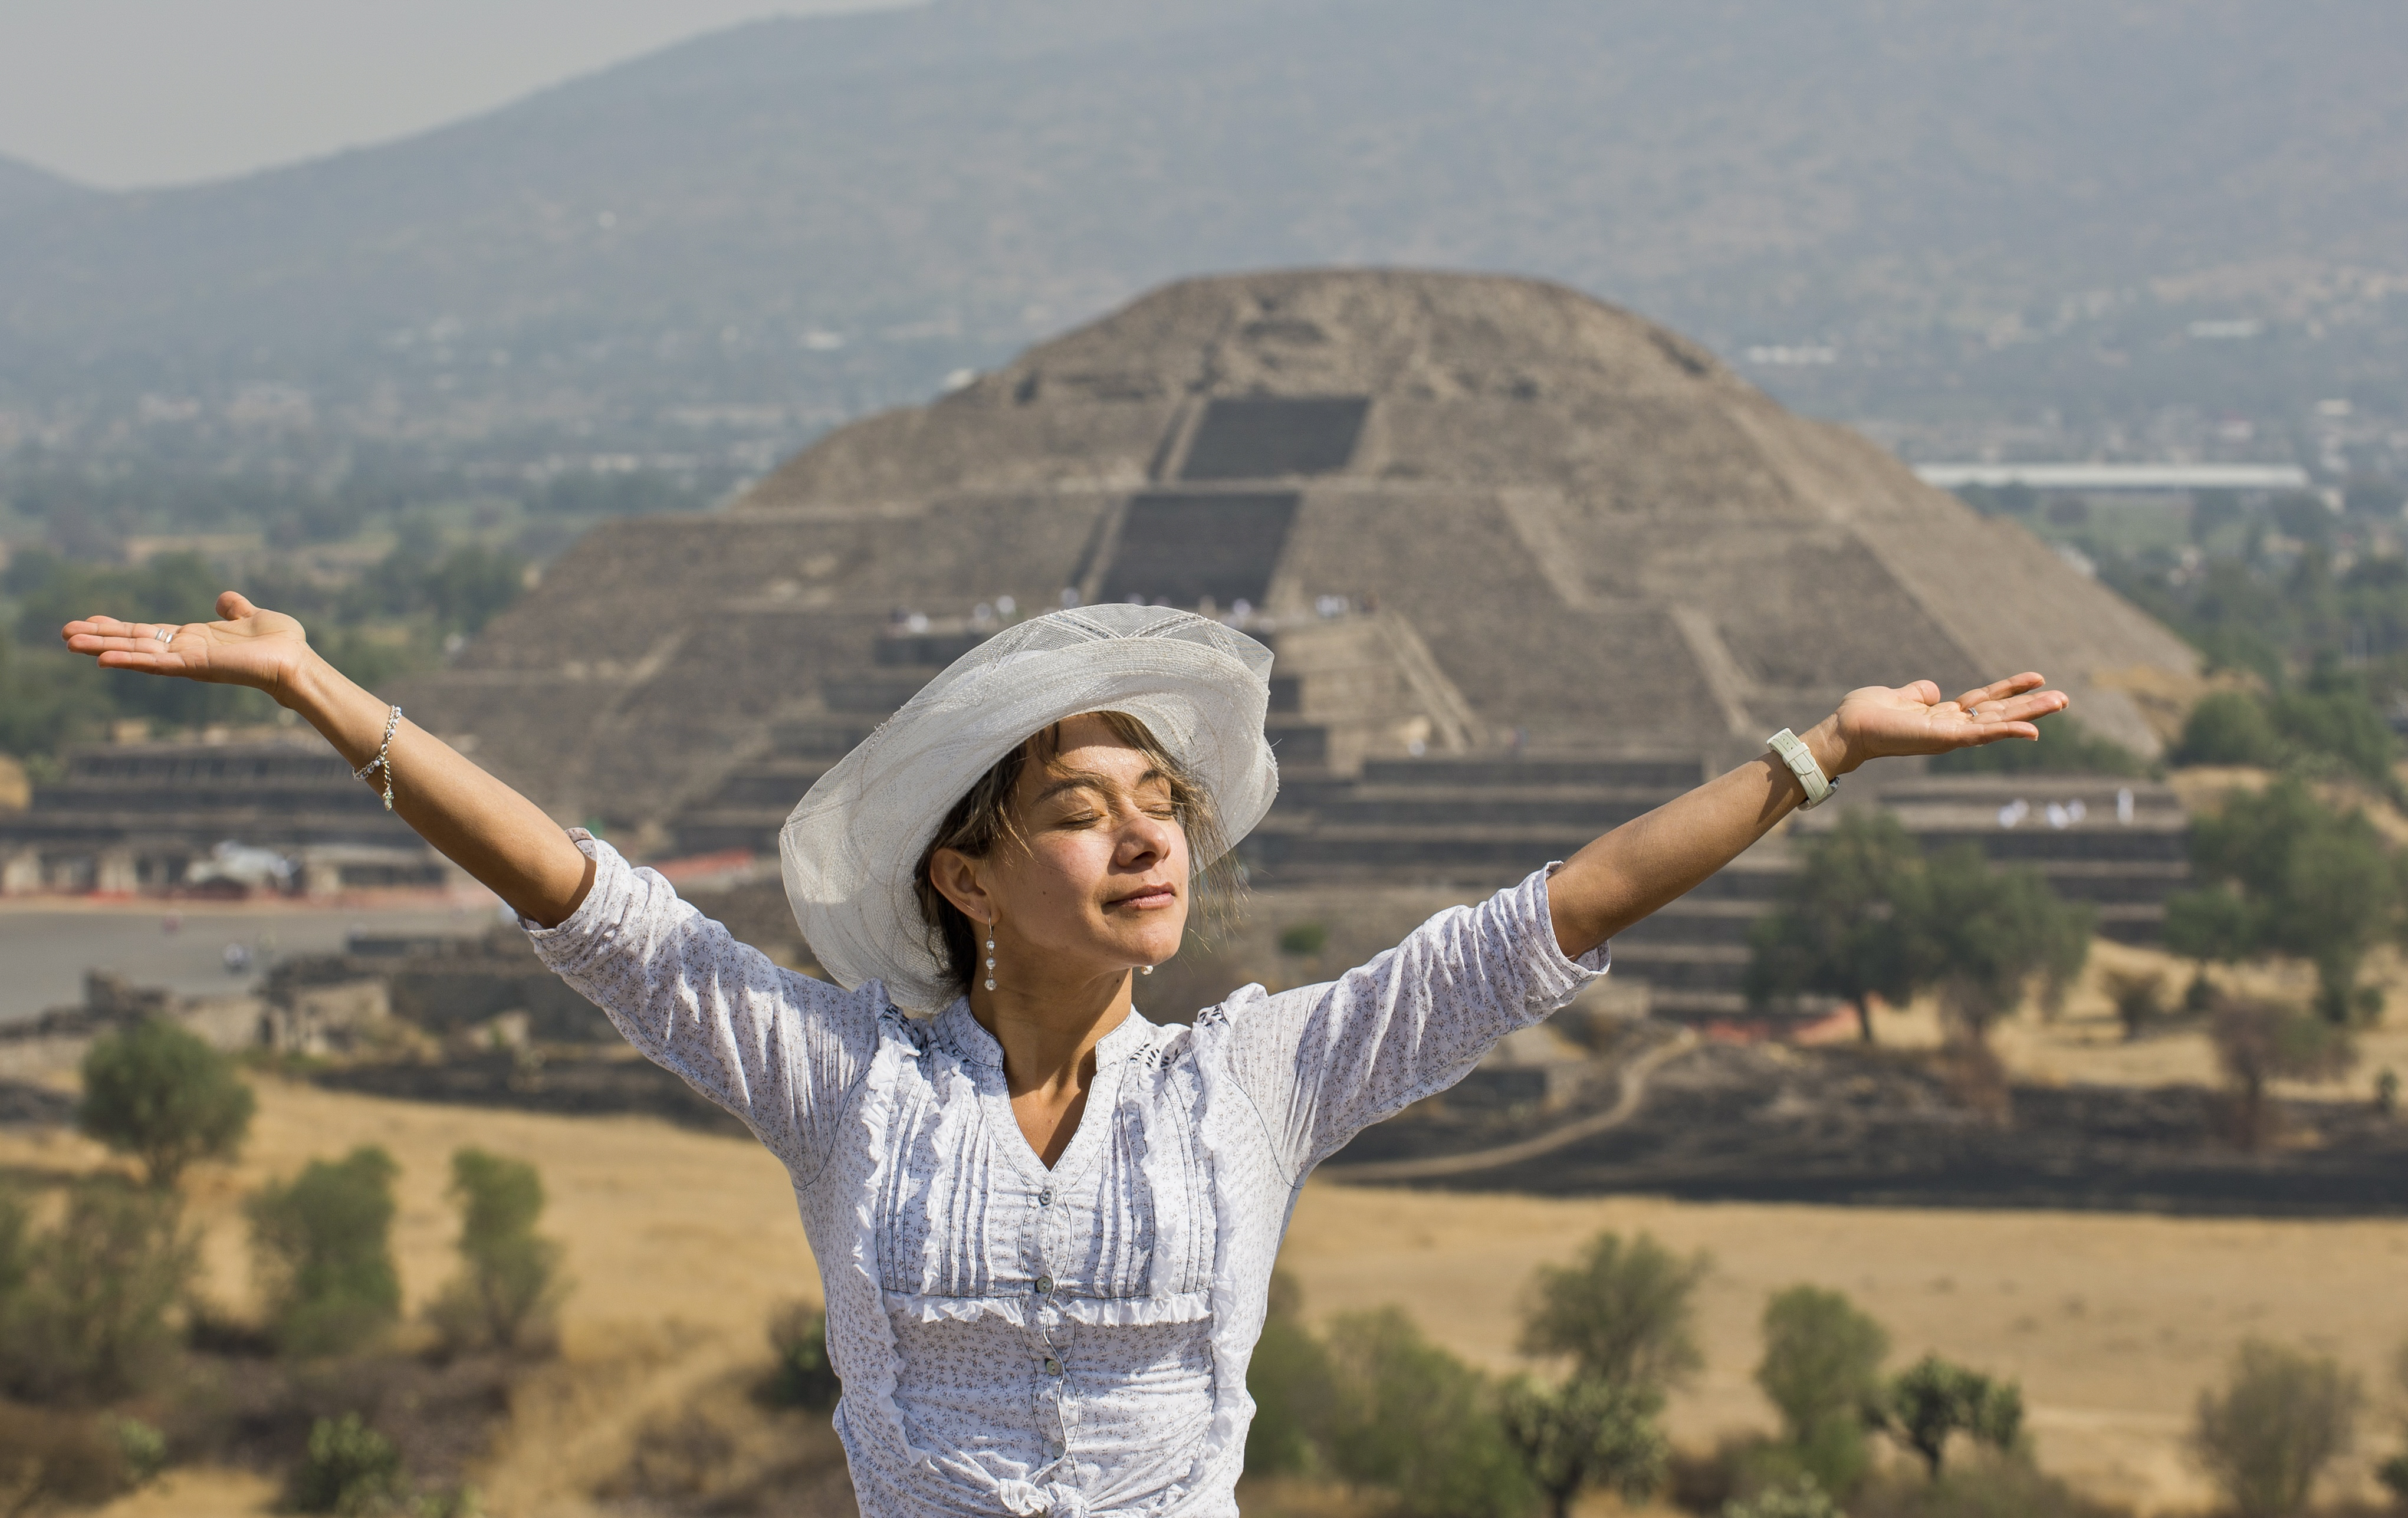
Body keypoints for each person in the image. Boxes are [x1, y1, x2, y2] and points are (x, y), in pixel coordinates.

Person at [62, 594, 2064, 1517]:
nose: (1148, 837)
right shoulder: (846, 1083)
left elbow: (1545, 921)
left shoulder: (1260, 1078)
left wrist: (1818, 757)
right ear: (970, 872)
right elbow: (599, 913)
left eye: (1163, 805)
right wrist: (327, 691)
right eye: (1089, 809)